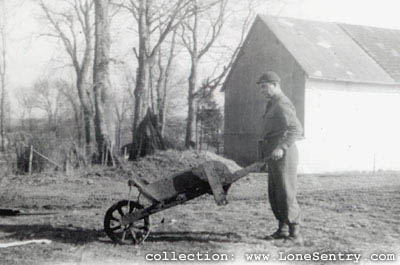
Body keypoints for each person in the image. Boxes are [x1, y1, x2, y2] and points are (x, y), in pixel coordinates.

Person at [256, 71, 304, 246]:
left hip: (285, 154)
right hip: (275, 155)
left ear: (275, 85)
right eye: (260, 87)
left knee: (286, 192)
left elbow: (296, 129)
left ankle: (295, 235)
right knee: (276, 193)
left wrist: (281, 147)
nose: (261, 90)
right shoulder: (272, 104)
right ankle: (282, 230)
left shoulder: (283, 103)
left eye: (264, 86)